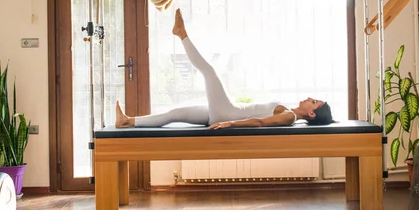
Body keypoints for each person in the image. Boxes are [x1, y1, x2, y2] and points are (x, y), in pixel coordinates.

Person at [115, 9, 334, 130]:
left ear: (312, 113)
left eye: (313, 101)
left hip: (227, 113)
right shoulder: (288, 111)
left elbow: (259, 122)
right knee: (176, 113)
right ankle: (128, 121)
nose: (309, 98)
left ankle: (181, 33)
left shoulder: (289, 117)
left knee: (209, 72)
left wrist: (229, 123)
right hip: (224, 112)